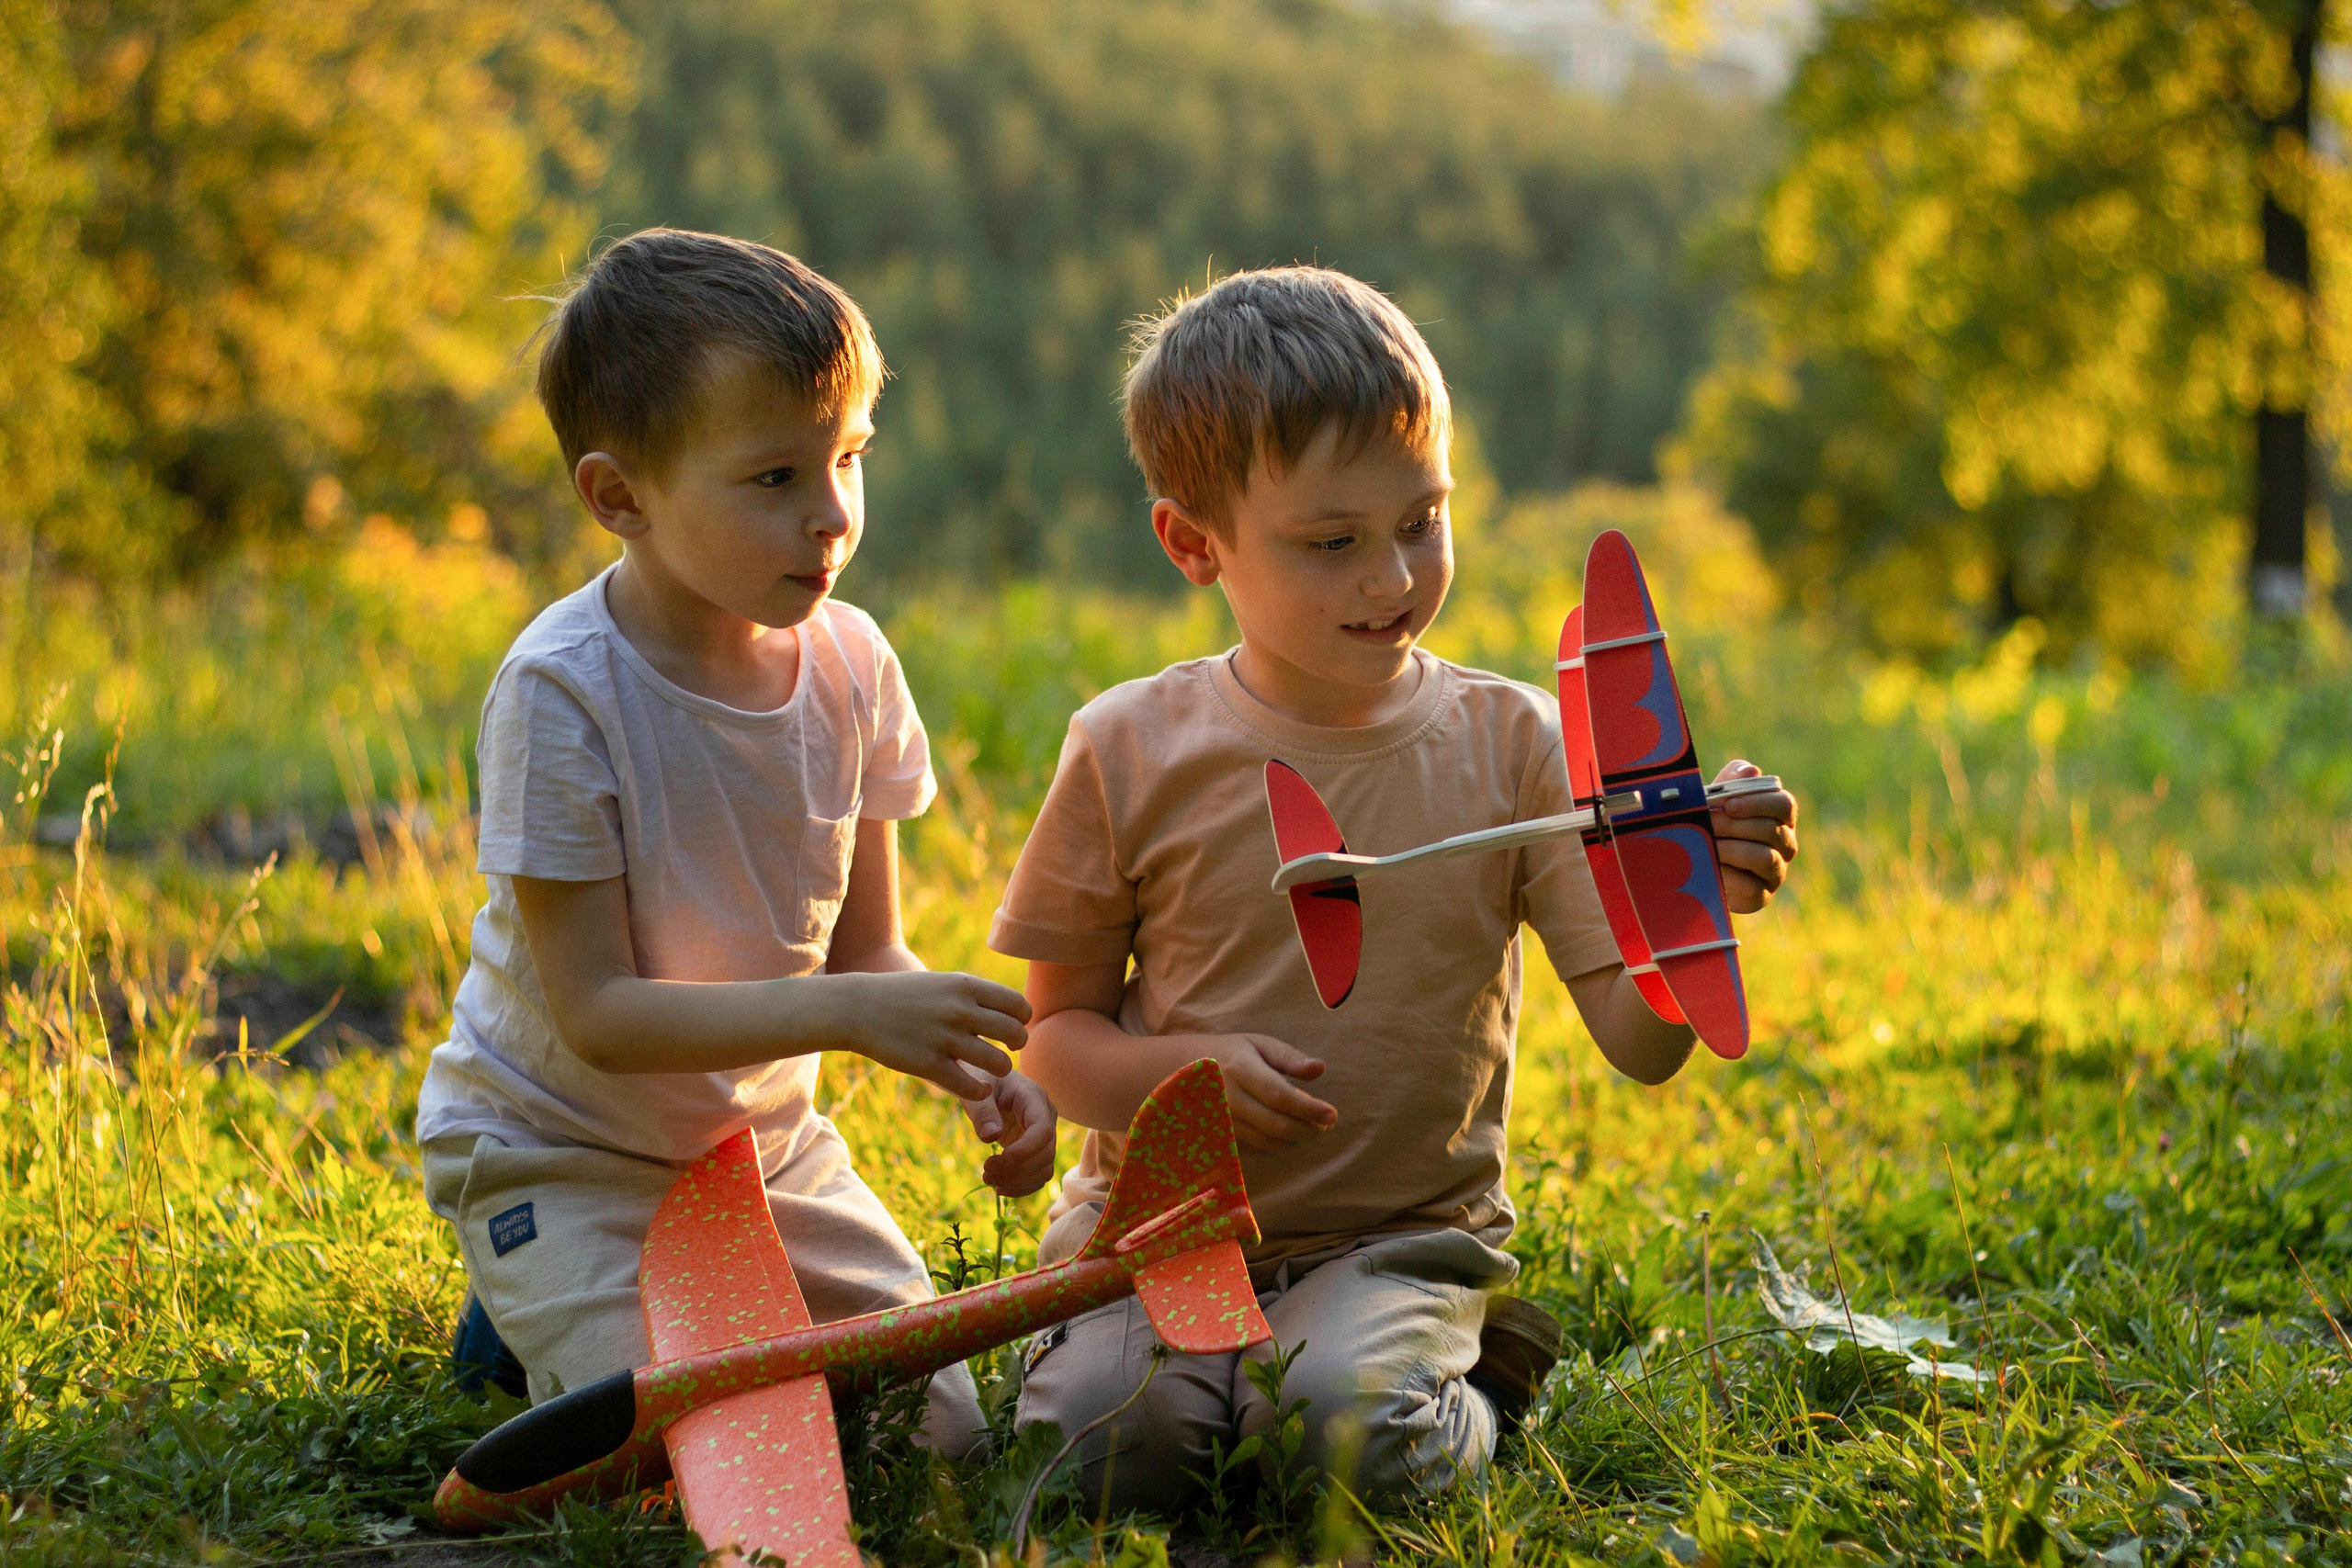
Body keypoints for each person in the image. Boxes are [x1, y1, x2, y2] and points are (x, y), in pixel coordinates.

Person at [994, 266, 1800, 1507]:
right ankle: (1195, 1382)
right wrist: (1185, 1073)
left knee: (1345, 1436)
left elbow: (1642, 1043)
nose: (1393, 580)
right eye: (1333, 544)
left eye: (1423, 522)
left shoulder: (1514, 743)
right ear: (1194, 544)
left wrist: (1689, 891)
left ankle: (1480, 1383)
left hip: (1399, 1245)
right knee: (1108, 1449)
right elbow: (1058, 1040)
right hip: (1159, 1231)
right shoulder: (1128, 747)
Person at [415, 229, 1051, 1458]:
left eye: (850, 459)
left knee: (945, 1439)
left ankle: (571, 1313)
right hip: (565, 1146)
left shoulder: (853, 666)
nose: (831, 518)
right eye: (773, 479)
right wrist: (843, 1019)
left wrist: (978, 1070)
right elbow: (598, 1011)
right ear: (620, 496)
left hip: (756, 1148)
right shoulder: (565, 693)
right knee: (700, 1442)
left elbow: (868, 953)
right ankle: (526, 1296)